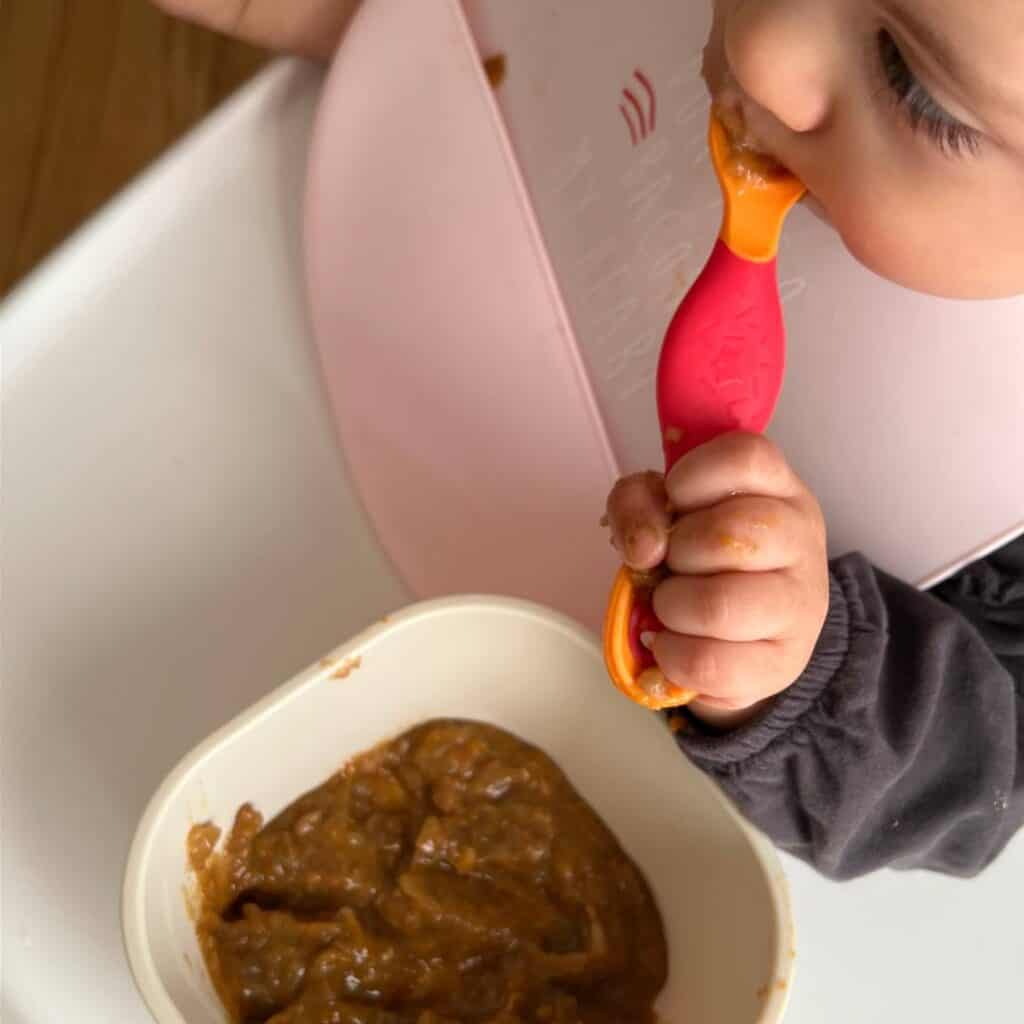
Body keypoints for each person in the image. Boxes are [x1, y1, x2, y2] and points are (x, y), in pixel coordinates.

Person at [154, 0, 1024, 879]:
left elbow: (981, 771)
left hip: (555, 726)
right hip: (305, 308)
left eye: (918, 89)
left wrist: (793, 668)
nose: (762, 52)